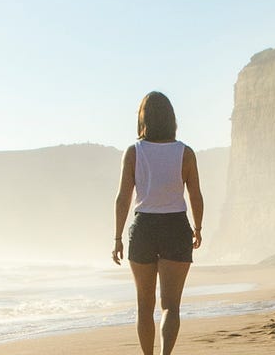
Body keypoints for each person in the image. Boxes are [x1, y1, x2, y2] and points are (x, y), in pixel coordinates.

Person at [112, 91, 204, 355]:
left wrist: (117, 237)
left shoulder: (133, 152)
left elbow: (122, 198)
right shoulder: (185, 153)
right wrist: (198, 228)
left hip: (143, 228)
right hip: (176, 226)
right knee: (171, 306)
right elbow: (195, 195)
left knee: (144, 305)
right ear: (171, 119)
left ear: (143, 119)